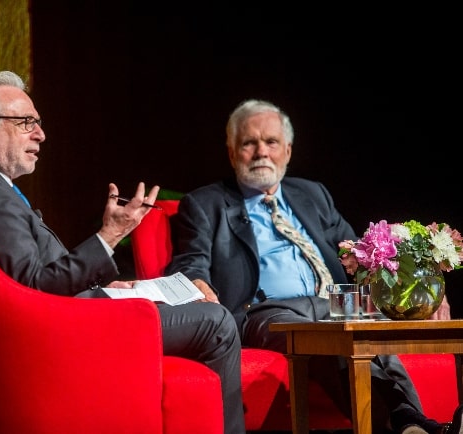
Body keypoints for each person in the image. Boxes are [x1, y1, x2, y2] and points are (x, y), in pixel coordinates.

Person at [0, 70, 245, 434]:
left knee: (188, 302)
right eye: (26, 123)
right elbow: (34, 288)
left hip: (66, 314)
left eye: (37, 123)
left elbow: (27, 280)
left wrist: (109, 290)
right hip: (60, 334)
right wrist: (110, 235)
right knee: (215, 322)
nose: (41, 134)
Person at [165, 98, 463, 434]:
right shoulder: (206, 204)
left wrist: (419, 287)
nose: (261, 151)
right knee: (329, 334)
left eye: (271, 142)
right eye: (249, 143)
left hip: (337, 303)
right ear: (233, 153)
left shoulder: (312, 194)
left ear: (288, 151)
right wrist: (196, 284)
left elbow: (361, 254)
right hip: (267, 312)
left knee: (362, 334)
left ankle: (411, 424)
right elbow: (191, 263)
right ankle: (408, 425)